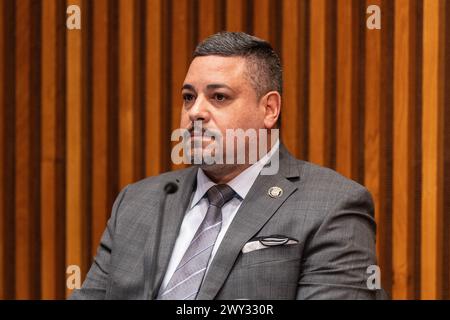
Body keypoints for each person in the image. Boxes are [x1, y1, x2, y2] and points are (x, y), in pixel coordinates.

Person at [70, 32, 384, 300]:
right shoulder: (137, 202)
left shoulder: (330, 205)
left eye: (219, 97)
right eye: (188, 97)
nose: (195, 112)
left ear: (269, 109)